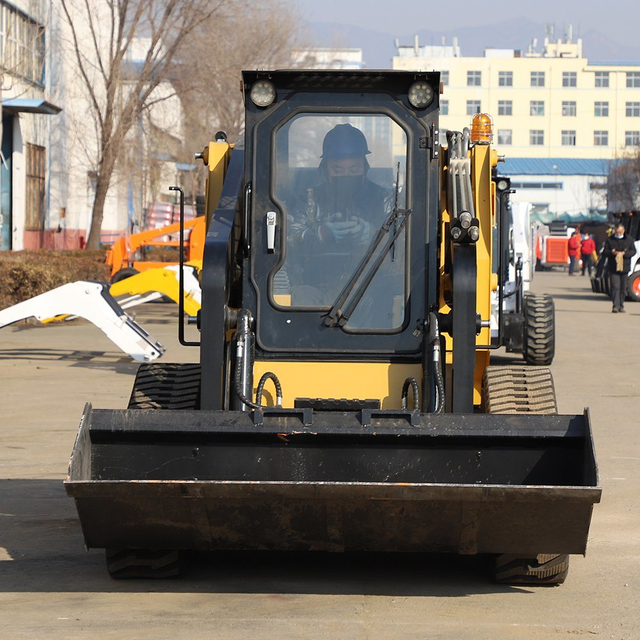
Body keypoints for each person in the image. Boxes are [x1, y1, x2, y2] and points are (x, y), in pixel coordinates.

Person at [287, 123, 396, 309]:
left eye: (353, 170)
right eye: (338, 170)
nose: (346, 176)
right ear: (325, 168)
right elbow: (289, 238)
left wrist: (374, 233)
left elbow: (402, 239)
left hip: (370, 285)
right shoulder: (308, 199)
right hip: (315, 285)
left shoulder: (384, 198)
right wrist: (320, 234)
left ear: (365, 166)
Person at [603, 223, 636, 313]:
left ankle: (621, 305)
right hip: (613, 267)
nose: (618, 234)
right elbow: (605, 252)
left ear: (623, 231)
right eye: (617, 232)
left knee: (622, 287)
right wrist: (612, 252)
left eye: (620, 232)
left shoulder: (629, 240)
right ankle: (615, 306)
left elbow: (633, 251)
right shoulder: (610, 240)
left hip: (624, 267)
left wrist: (625, 254)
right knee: (615, 286)